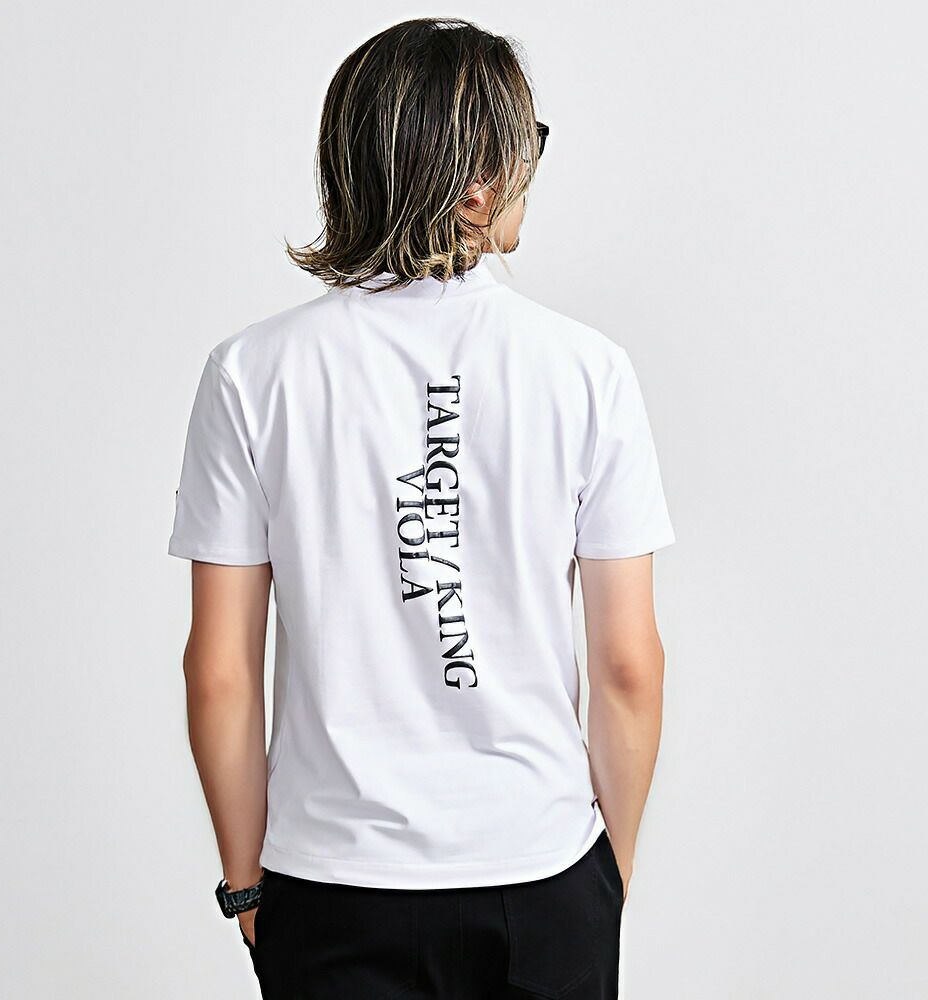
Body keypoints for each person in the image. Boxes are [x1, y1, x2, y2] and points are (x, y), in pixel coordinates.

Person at [168, 16, 676, 1000]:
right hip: (538, 873)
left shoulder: (252, 374)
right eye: (528, 144)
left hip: (332, 883)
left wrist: (246, 884)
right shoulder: (586, 372)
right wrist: (602, 880)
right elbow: (627, 666)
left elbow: (220, 671)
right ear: (477, 185)